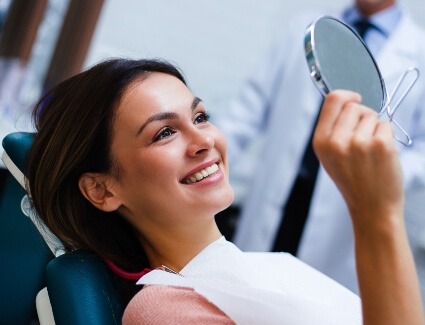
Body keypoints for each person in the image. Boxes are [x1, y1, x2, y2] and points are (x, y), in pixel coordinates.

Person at [24, 58, 423, 324]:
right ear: (101, 189)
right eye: (164, 132)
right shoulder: (167, 311)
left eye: (201, 116)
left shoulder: (275, 266)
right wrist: (376, 214)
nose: (204, 140)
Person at [216, 0, 425, 296]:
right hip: (276, 202)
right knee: (250, 297)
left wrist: (383, 170)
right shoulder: (301, 28)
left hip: (343, 220)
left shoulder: (419, 52)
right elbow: (246, 113)